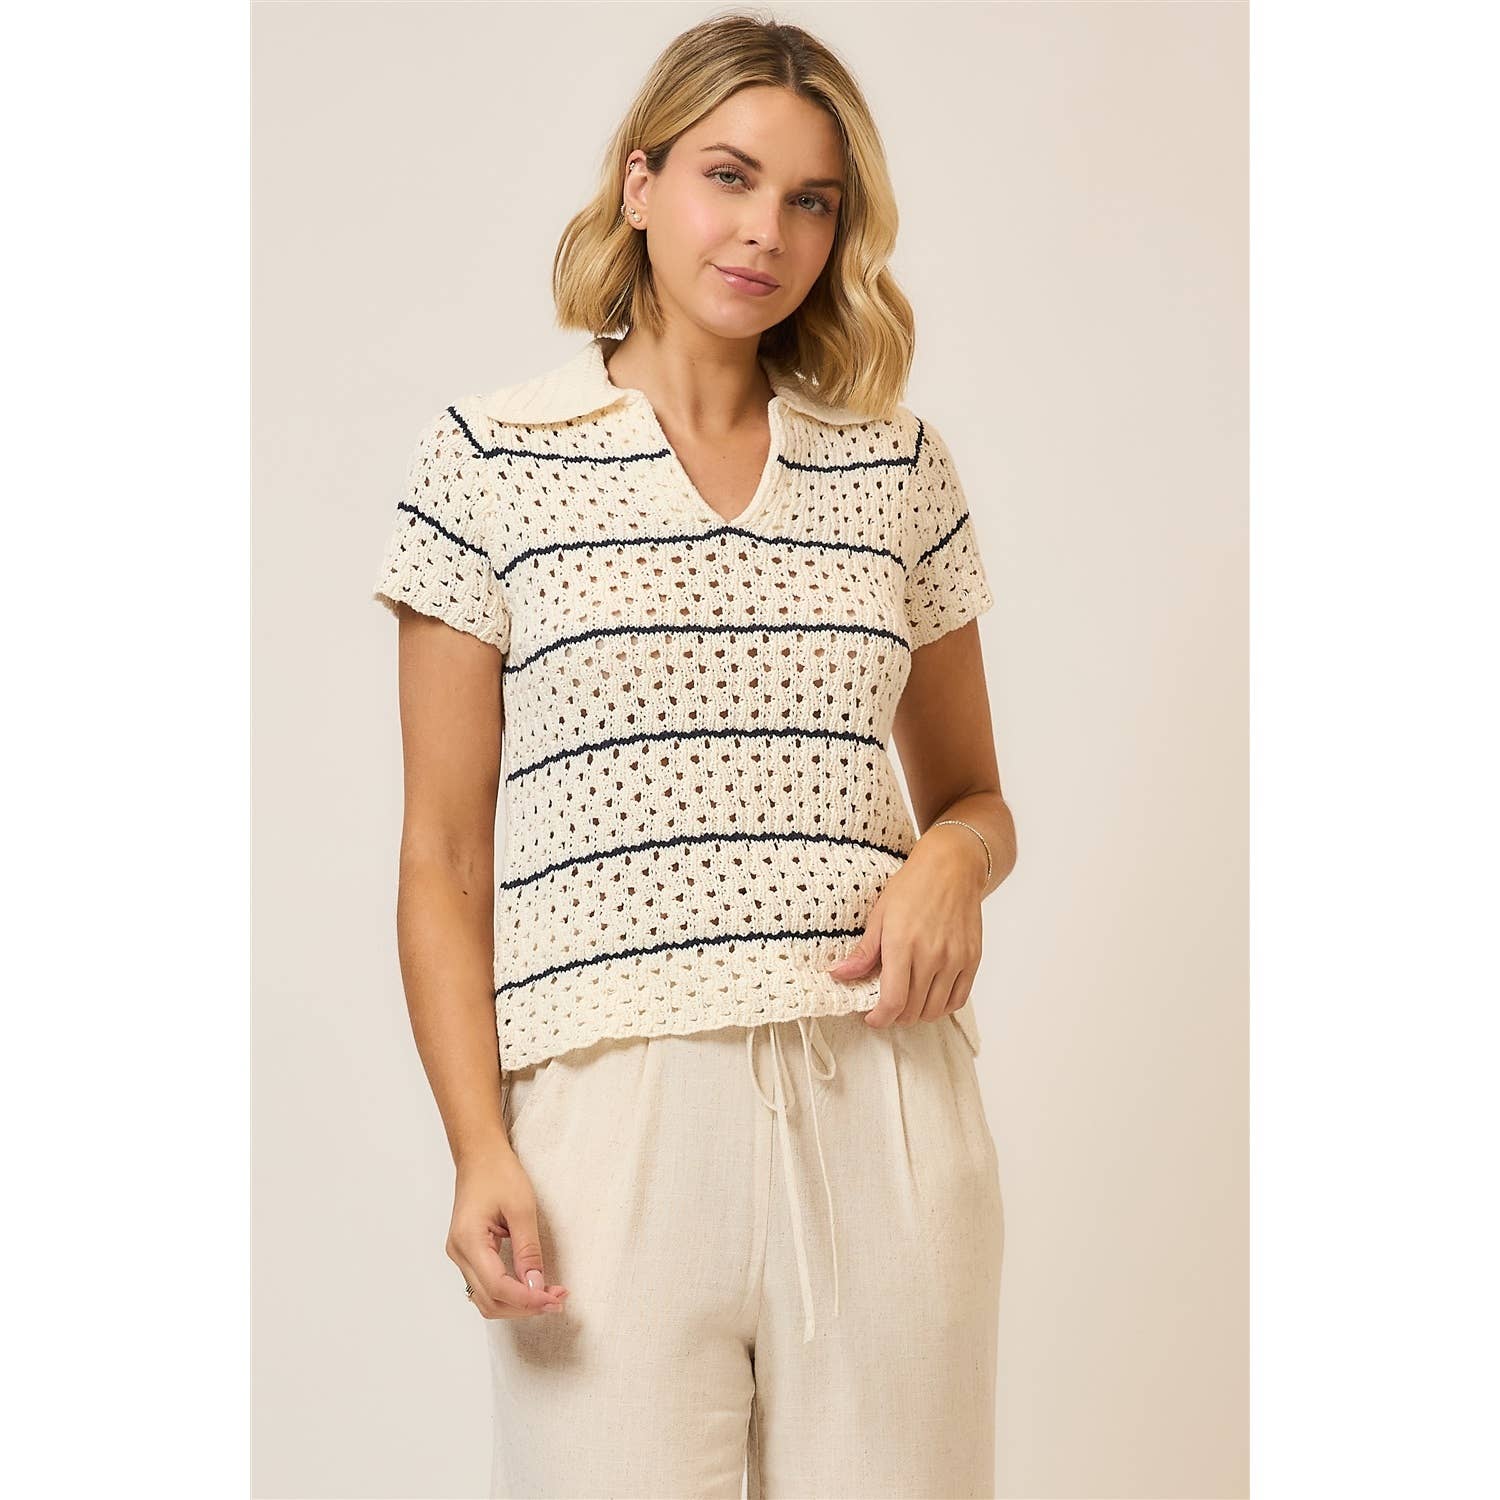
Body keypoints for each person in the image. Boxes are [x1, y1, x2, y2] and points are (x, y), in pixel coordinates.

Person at [371, 14, 1015, 1498]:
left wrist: (950, 858)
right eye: (730, 176)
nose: (766, 232)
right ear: (640, 179)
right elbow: (442, 856)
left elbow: (979, 796)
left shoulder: (897, 467)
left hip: (886, 1103)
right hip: (611, 1120)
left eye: (812, 200)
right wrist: (479, 1146)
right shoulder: (489, 459)